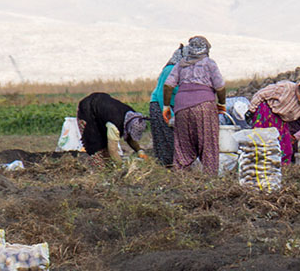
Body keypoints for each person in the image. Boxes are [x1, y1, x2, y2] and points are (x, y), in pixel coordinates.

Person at [163, 36, 226, 173]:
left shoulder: (180, 64)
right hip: (204, 106)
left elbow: (168, 85)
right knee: (208, 142)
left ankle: (181, 177)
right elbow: (220, 87)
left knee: (182, 144)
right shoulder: (209, 63)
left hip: (182, 108)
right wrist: (221, 104)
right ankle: (210, 179)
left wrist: (166, 107)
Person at [246, 75, 300, 164]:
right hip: (267, 111)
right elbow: (262, 94)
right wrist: (251, 110)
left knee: (286, 149)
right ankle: (257, 162)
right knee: (263, 139)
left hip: (281, 120)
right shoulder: (285, 88)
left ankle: (277, 168)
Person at [76, 93, 148, 162]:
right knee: (97, 150)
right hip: (87, 110)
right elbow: (113, 149)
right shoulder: (115, 125)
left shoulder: (132, 116)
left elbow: (130, 136)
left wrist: (139, 151)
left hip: (102, 110)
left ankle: (108, 167)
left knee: (107, 155)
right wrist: (119, 166)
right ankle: (97, 171)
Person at [148, 45, 183, 167]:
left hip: (168, 107)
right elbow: (162, 94)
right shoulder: (170, 69)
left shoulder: (179, 71)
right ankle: (167, 166)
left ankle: (170, 166)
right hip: (160, 106)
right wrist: (170, 114)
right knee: (166, 139)